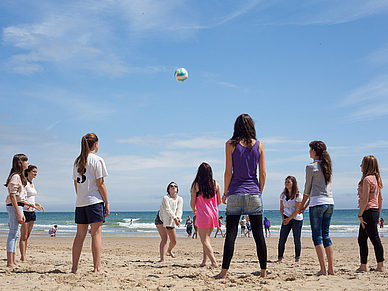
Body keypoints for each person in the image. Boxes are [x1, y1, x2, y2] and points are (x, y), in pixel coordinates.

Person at [215, 114, 267, 279]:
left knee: (231, 234)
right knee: (258, 234)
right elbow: (263, 174)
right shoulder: (260, 145)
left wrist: (225, 193)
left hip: (235, 192)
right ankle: (264, 272)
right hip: (253, 192)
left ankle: (224, 272)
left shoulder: (230, 144)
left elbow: (228, 172)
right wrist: (259, 192)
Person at [71, 133, 110, 274]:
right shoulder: (97, 160)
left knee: (79, 235)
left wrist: (82, 196)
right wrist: (106, 202)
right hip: (94, 201)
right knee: (96, 234)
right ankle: (97, 268)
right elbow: (101, 184)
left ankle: (74, 269)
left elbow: (75, 183)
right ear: (96, 144)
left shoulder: (77, 161)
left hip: (81, 202)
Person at [299, 141, 334, 276]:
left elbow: (307, 190)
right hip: (330, 202)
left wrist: (301, 206)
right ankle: (331, 269)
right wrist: (305, 206)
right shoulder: (328, 166)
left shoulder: (311, 167)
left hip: (317, 204)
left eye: (310, 150)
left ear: (314, 151)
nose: (309, 152)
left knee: (317, 236)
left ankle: (323, 270)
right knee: (326, 235)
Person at [356, 155, 385, 273]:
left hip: (368, 211)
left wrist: (360, 215)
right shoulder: (377, 179)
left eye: (362, 163)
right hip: (374, 211)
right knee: (362, 239)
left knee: (374, 239)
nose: (360, 165)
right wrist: (378, 214)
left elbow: (365, 199)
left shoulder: (367, 179)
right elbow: (381, 199)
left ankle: (380, 266)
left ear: (367, 165)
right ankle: (363, 266)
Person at [190, 162, 222, 267]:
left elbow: (192, 202)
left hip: (203, 214)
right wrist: (213, 207)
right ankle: (204, 261)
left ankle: (214, 262)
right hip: (214, 214)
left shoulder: (196, 185)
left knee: (204, 239)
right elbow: (219, 200)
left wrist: (193, 209)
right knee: (207, 238)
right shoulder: (215, 183)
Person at [4, 154, 29, 268]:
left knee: (16, 234)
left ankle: (13, 261)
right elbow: (13, 196)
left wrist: (21, 212)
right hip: (14, 206)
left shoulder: (18, 176)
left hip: (18, 206)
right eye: (26, 161)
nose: (27, 163)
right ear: (20, 162)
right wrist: (19, 213)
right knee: (13, 233)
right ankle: (10, 262)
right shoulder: (15, 177)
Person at [19, 165, 45, 261]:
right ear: (28, 172)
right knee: (24, 236)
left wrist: (37, 204)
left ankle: (24, 254)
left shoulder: (32, 184)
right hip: (25, 211)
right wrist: (32, 205)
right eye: (33, 171)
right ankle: (23, 257)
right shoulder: (24, 183)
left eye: (36, 172)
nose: (35, 173)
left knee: (28, 235)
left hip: (32, 211)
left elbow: (30, 199)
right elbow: (21, 200)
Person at [155, 182, 183, 262]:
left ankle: (169, 251)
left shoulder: (180, 199)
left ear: (177, 189)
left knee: (174, 241)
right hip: (161, 219)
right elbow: (168, 209)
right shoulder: (165, 198)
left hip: (171, 221)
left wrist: (178, 219)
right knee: (164, 239)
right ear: (168, 189)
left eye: (175, 186)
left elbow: (179, 210)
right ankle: (162, 259)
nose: (173, 187)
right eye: (171, 186)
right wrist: (175, 219)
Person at [277, 176, 303, 263]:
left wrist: (290, 218)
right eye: (286, 182)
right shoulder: (283, 195)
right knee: (282, 239)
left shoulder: (298, 195)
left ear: (293, 183)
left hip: (296, 219)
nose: (287, 183)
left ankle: (297, 258)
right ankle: (280, 257)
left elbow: (297, 209)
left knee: (296, 239)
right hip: (286, 218)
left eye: (289, 182)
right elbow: (281, 208)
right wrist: (284, 218)